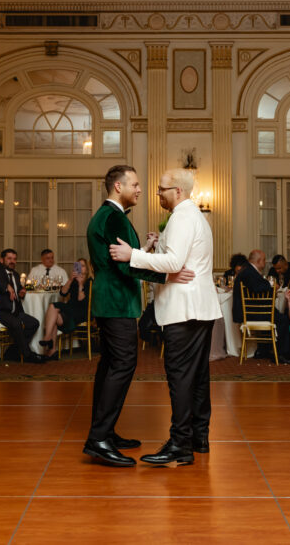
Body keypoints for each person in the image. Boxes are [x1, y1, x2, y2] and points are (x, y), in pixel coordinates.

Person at [110, 168, 219, 466]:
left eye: (161, 189)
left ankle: (180, 445)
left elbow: (174, 262)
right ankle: (199, 437)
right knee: (196, 377)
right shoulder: (193, 216)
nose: (157, 193)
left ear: (178, 192)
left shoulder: (182, 217)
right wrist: (158, 244)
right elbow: (177, 255)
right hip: (198, 307)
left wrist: (131, 254)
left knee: (180, 376)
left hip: (184, 310)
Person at [83, 164, 190, 468]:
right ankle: (99, 439)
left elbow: (121, 257)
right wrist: (166, 277)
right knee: (123, 364)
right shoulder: (114, 218)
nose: (141, 190)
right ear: (118, 187)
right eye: (136, 184)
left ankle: (105, 432)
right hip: (117, 303)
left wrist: (144, 249)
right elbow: (124, 265)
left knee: (109, 367)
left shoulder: (107, 217)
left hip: (109, 301)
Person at [0, 249, 46, 364]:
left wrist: (21, 292)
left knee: (33, 323)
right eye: (9, 259)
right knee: (16, 324)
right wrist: (6, 286)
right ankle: (28, 355)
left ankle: (12, 352)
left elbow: (17, 292)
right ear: (2, 260)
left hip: (14, 312)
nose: (12, 261)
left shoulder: (16, 275)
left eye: (14, 259)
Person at [39, 259, 92, 359]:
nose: (80, 268)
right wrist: (70, 280)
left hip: (82, 311)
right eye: (78, 266)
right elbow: (62, 293)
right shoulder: (74, 280)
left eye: (83, 266)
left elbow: (81, 300)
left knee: (53, 307)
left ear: (87, 269)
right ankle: (52, 350)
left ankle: (48, 339)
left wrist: (80, 284)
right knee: (53, 313)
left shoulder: (90, 282)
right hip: (70, 308)